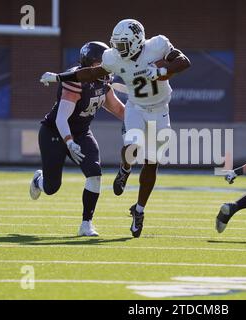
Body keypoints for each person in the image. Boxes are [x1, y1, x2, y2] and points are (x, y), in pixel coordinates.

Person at [40, 19, 191, 238]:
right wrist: (59, 77)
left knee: (152, 162)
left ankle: (139, 210)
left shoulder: (157, 45)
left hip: (160, 110)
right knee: (132, 146)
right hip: (136, 107)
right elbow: (89, 74)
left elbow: (184, 62)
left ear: (138, 41)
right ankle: (125, 169)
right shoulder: (113, 57)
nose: (119, 49)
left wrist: (160, 72)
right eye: (117, 44)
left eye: (124, 44)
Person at [30, 41, 125, 237]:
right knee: (51, 188)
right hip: (55, 133)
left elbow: (117, 108)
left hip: (81, 132)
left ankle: (86, 224)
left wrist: (139, 121)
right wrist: (69, 141)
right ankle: (39, 180)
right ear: (90, 63)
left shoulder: (104, 81)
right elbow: (61, 118)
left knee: (95, 173)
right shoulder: (76, 79)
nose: (105, 67)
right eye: (101, 62)